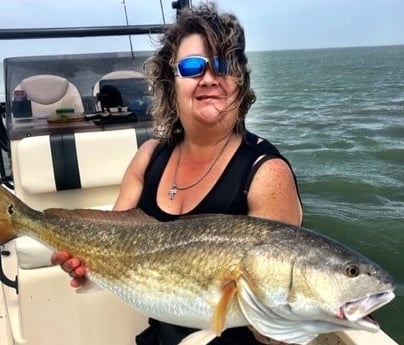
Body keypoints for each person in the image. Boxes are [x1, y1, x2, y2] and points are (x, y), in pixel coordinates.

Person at [51, 3, 303, 345]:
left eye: (223, 65)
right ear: (171, 83)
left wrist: (289, 319)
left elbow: (272, 329)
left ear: (240, 81)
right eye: (192, 67)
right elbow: (109, 241)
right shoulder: (148, 157)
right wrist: (89, 266)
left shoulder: (267, 173)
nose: (210, 78)